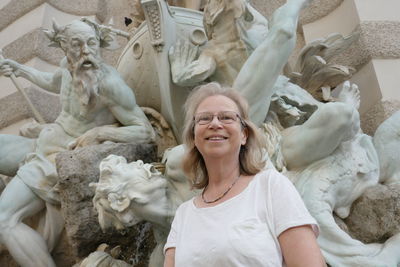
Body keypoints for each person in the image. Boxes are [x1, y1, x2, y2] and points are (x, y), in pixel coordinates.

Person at [0, 19, 155, 266]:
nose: (85, 51)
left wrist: (100, 133)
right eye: (77, 44)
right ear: (64, 47)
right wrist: (21, 69)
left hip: (60, 159)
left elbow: (145, 131)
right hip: (45, 142)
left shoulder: (109, 85)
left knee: (4, 217)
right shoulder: (68, 67)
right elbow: (54, 81)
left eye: (91, 43)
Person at [163, 82, 326, 267]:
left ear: (244, 135)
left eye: (226, 117)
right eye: (204, 118)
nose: (215, 123)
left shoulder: (270, 187)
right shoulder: (184, 214)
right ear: (194, 137)